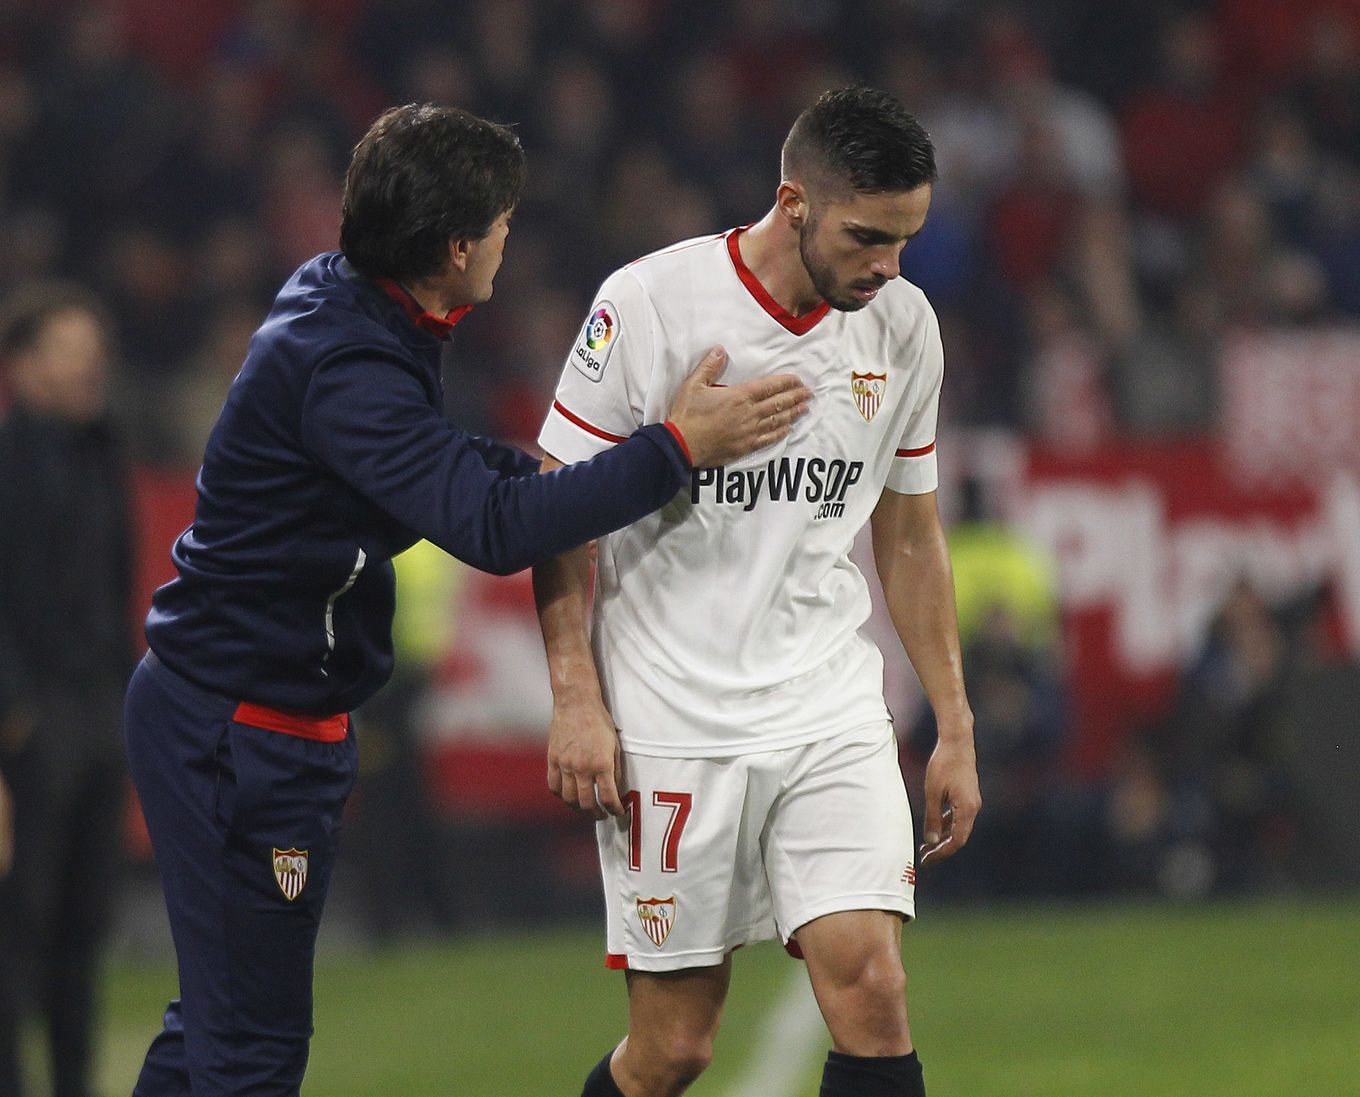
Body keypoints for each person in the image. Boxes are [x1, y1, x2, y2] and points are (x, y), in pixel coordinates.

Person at [122, 102, 810, 1097]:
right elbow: (492, 525)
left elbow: (445, 470)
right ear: (454, 245)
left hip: (253, 712)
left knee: (215, 1028)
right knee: (248, 1051)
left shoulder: (355, 307)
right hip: (238, 729)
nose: (507, 239)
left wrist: (582, 465)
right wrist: (673, 450)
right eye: (500, 222)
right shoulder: (346, 362)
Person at [533, 86, 982, 1097]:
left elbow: (907, 532)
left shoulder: (902, 328)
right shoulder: (651, 306)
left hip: (825, 702)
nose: (887, 267)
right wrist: (574, 694)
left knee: (872, 989)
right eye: (867, 237)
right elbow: (555, 511)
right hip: (671, 714)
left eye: (905, 240)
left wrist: (952, 719)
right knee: (673, 1049)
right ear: (792, 204)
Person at [0, 284, 135, 1097]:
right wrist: (12, 713)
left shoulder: (101, 452)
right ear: (23, 364)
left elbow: (114, 586)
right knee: (19, 925)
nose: (91, 365)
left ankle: (75, 1084)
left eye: (95, 347)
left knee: (84, 926)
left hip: (97, 709)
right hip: (31, 718)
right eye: (71, 347)